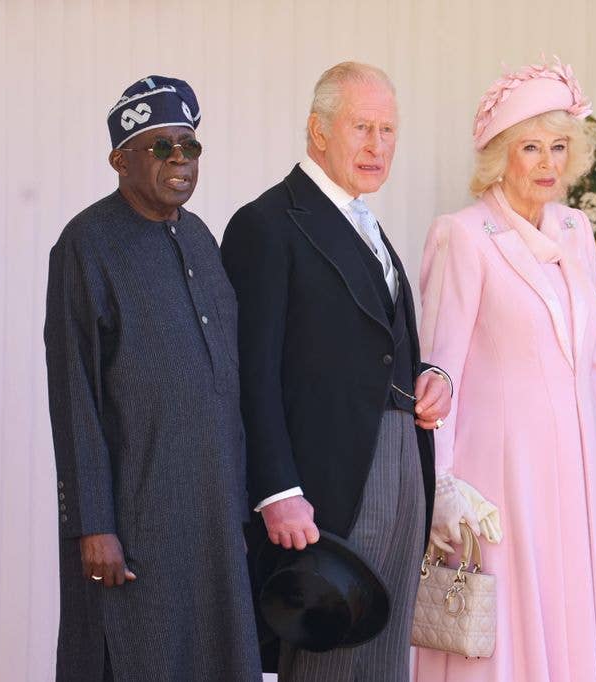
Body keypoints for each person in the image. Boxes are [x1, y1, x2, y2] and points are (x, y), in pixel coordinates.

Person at [220, 61, 452, 681]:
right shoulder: (265, 224)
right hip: (330, 483)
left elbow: (379, 351)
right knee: (333, 651)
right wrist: (276, 490)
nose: (378, 146)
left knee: (383, 654)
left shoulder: (366, 223)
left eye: (388, 130)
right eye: (362, 128)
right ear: (317, 131)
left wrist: (432, 377)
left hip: (403, 462)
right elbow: (249, 373)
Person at [413, 58, 596, 682]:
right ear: (499, 156)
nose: (548, 162)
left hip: (580, 474)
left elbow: (593, 364)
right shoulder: (463, 235)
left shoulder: (576, 230)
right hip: (504, 480)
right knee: (511, 637)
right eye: (531, 147)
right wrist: (443, 487)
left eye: (559, 146)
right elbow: (438, 376)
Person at [44, 76, 261, 681]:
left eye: (188, 147)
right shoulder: (86, 245)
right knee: (137, 656)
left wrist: (241, 509)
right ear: (120, 159)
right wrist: (94, 524)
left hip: (215, 515)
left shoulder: (200, 239)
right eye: (160, 147)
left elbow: (229, 388)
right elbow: (74, 396)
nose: (178, 161)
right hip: (136, 518)